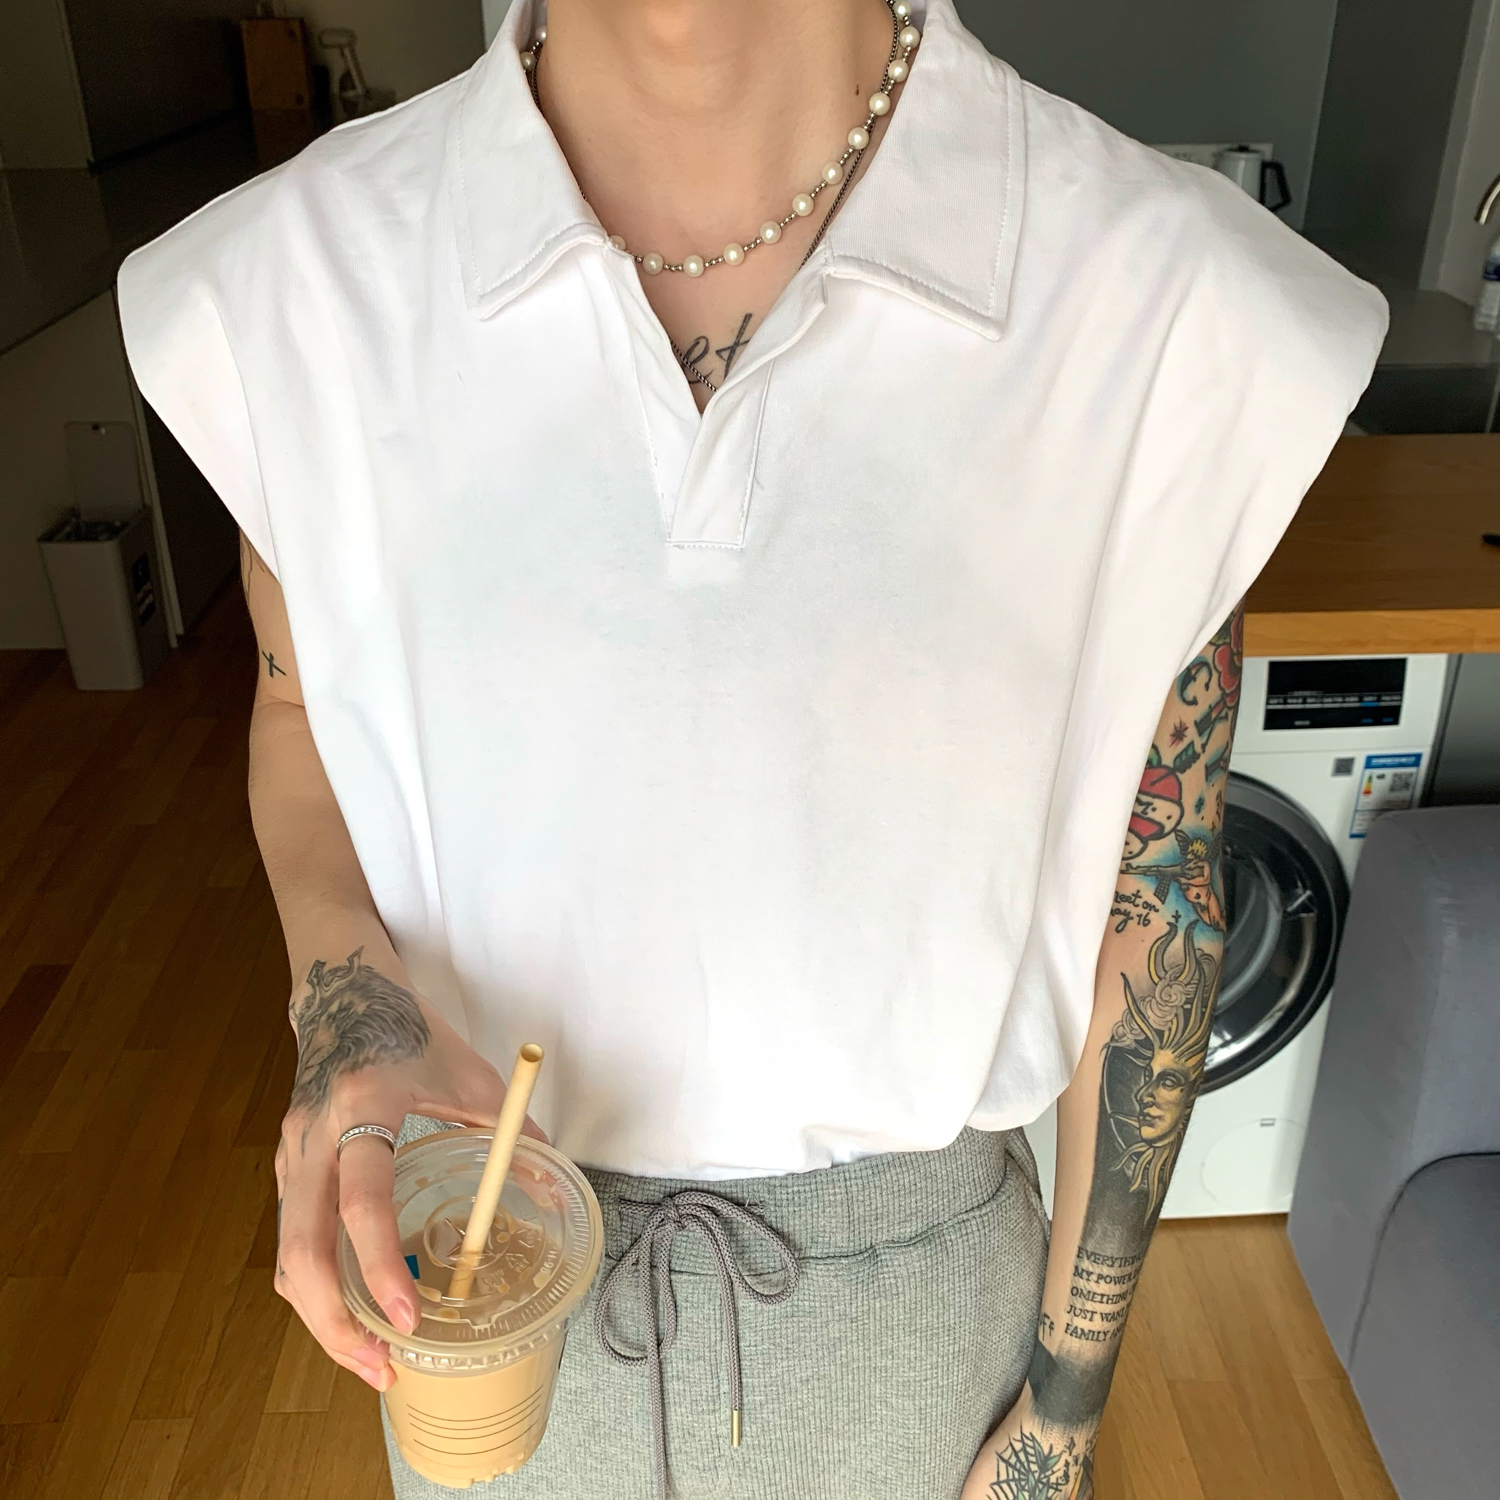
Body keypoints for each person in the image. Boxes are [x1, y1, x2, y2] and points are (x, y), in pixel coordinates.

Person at [117, 0, 1386, 1495]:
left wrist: (1059, 1418)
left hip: (923, 1347)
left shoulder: (1174, 312)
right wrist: (348, 1004)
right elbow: (297, 708)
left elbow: (1155, 899)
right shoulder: (292, 288)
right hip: (482, 1286)